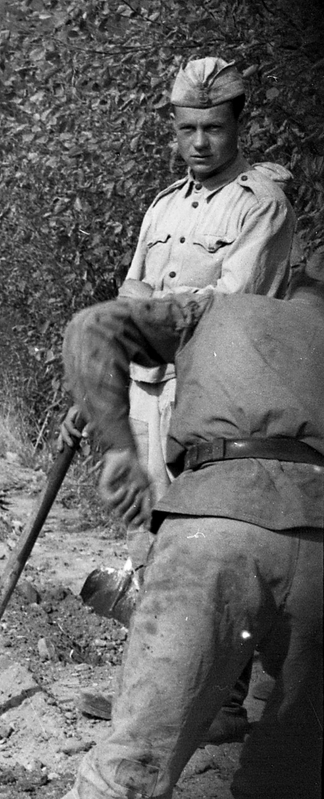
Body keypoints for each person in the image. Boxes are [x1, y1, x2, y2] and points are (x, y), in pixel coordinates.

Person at [62, 57, 296, 740]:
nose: (199, 142)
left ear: (238, 124)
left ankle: (218, 706)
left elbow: (231, 309)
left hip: (208, 399)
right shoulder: (164, 206)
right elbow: (130, 299)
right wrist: (99, 384)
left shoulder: (260, 205)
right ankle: (155, 697)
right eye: (187, 128)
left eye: (213, 128)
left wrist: (148, 317)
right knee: (146, 542)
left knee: (202, 547)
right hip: (143, 394)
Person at [57, 244, 322, 799]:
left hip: (216, 523)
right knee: (290, 770)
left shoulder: (219, 309)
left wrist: (120, 447)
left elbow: (91, 328)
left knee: (135, 763)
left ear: (298, 275)